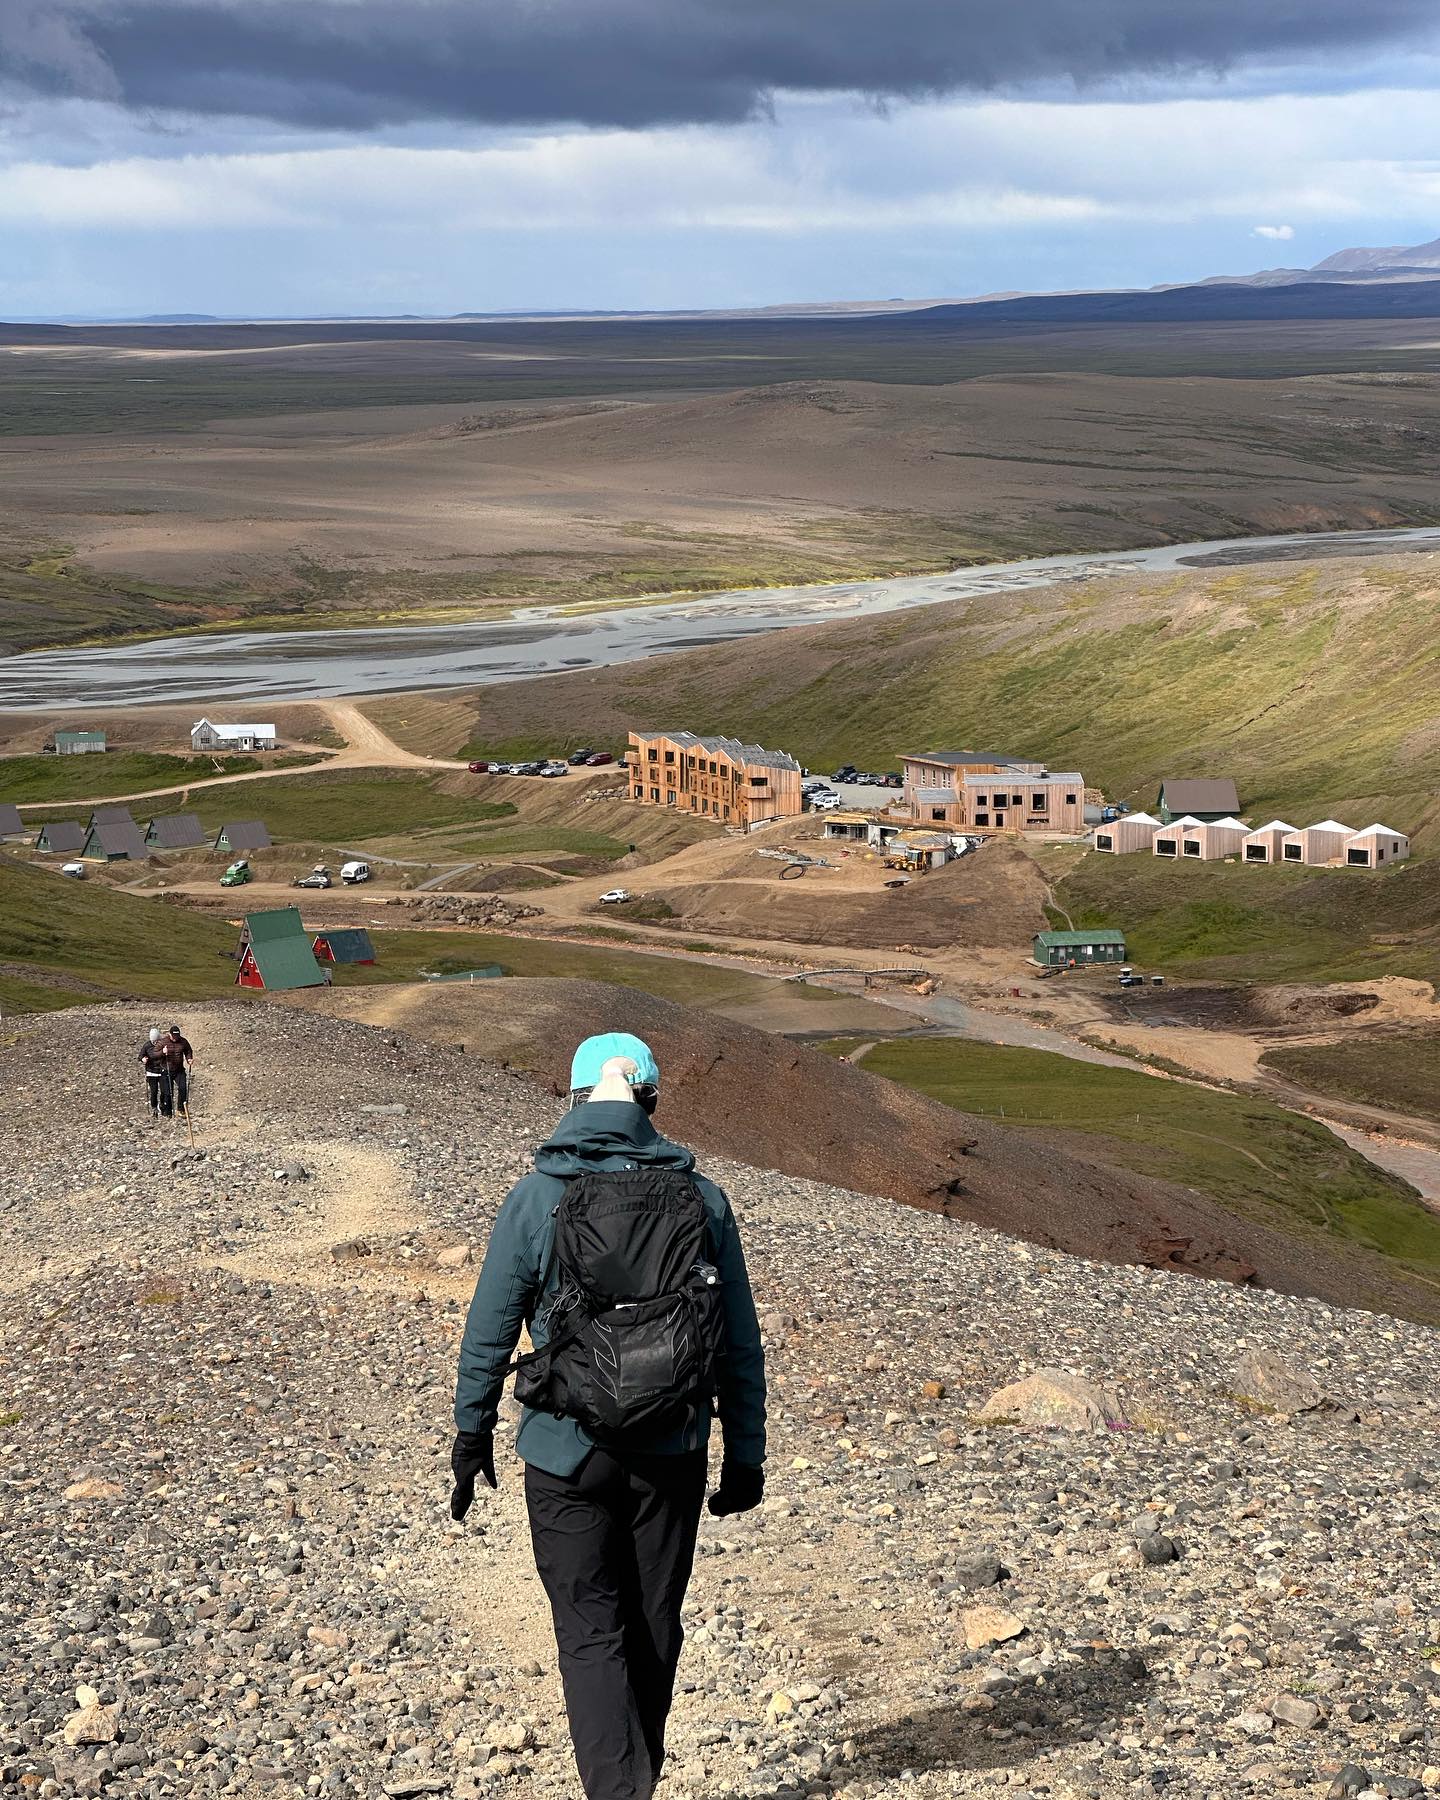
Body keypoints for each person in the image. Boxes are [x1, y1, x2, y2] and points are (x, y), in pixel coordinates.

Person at [451, 1032, 767, 1800]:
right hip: (673, 1448)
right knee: (655, 1623)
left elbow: (491, 1323)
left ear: (574, 1102)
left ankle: (618, 1791)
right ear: (651, 1102)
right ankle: (634, 1784)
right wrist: (745, 1452)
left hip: (565, 1451)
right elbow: (736, 1337)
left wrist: (472, 1431)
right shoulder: (703, 1198)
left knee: (590, 1632)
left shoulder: (536, 1196)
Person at [162, 1023, 194, 1118]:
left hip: (179, 1070)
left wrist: (189, 1059)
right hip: (166, 1069)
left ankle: (181, 1109)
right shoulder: (164, 1042)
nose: (176, 1037)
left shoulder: (183, 1041)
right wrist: (163, 1053)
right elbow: (155, 1053)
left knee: (183, 1088)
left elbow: (188, 1050)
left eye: (177, 1035)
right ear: (170, 1034)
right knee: (168, 1092)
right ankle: (168, 1112)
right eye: (174, 1035)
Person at [138, 1027, 171, 1120]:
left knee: (164, 1091)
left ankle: (162, 1105)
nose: (155, 1042)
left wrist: (166, 1053)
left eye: (157, 1040)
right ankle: (154, 1108)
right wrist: (143, 1059)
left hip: (162, 1071)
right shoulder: (147, 1045)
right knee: (154, 1091)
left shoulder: (163, 1044)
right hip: (151, 1072)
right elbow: (140, 1055)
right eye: (153, 1041)